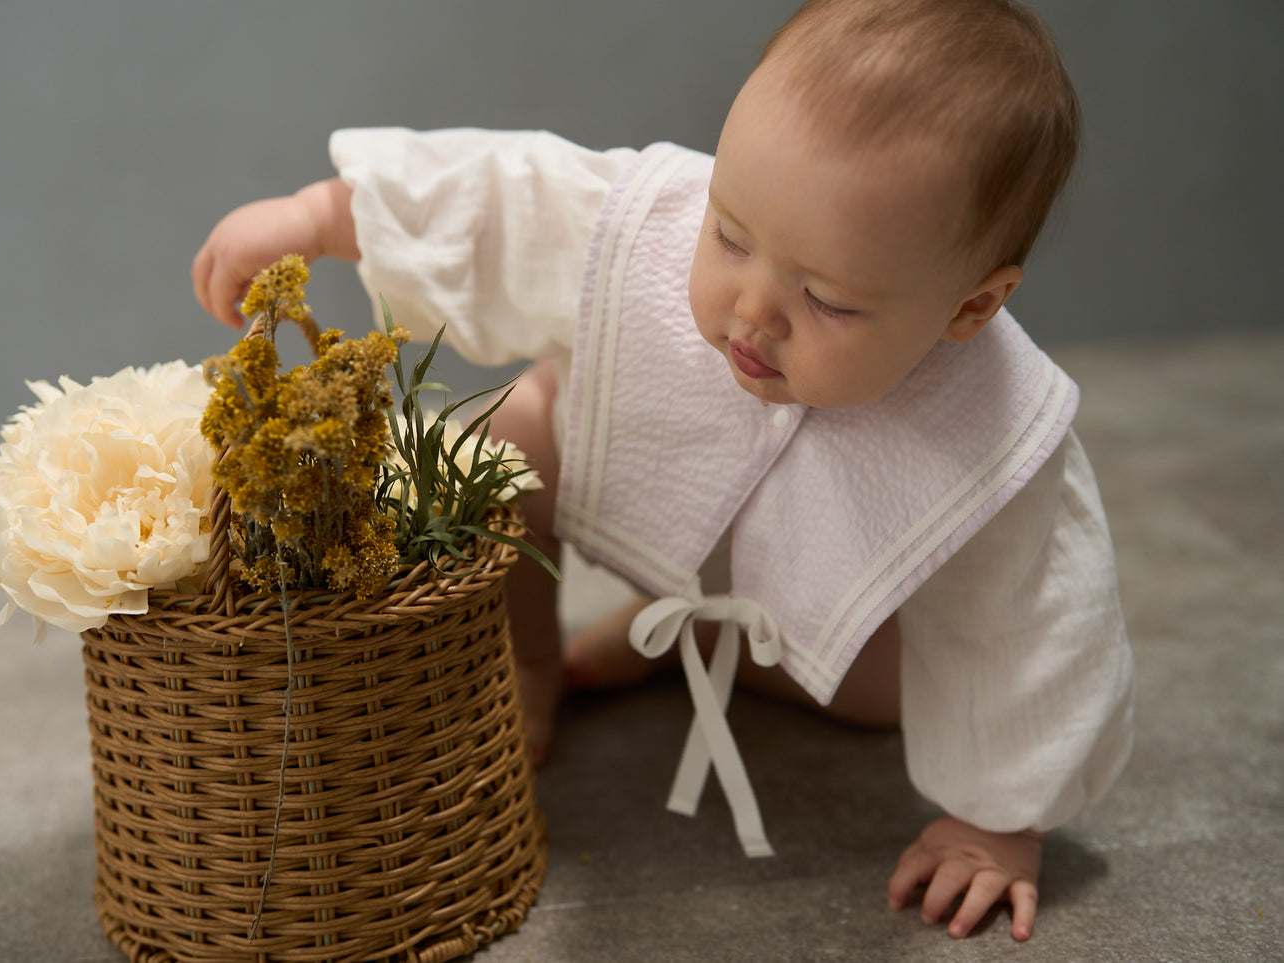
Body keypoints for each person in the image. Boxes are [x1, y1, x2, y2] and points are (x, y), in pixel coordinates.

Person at [191, 0, 1133, 943]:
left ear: (969, 305)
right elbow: (507, 199)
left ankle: (678, 647)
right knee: (506, 434)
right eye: (729, 235)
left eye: (828, 301)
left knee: (885, 700)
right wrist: (323, 216)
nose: (752, 311)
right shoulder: (651, 217)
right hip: (656, 523)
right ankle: (523, 665)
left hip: (837, 613)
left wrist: (998, 821)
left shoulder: (998, 428)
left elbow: (1036, 623)